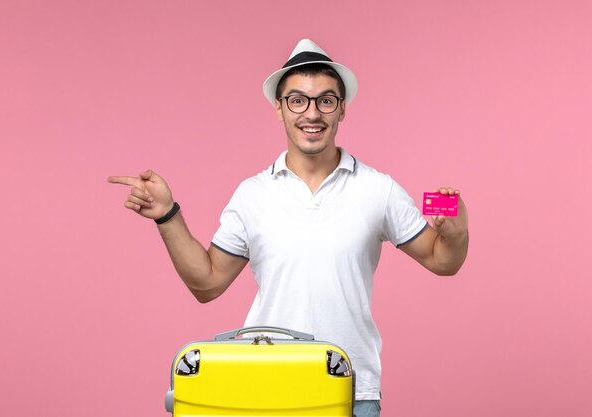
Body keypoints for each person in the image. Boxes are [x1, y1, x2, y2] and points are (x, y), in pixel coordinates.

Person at [108, 39, 469, 417]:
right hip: (266, 385)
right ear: (279, 109)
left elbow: (441, 259)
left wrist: (456, 234)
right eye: (297, 100)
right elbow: (208, 283)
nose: (311, 113)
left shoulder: (378, 189)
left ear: (342, 109)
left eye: (325, 100)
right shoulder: (252, 195)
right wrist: (168, 215)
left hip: (349, 389)